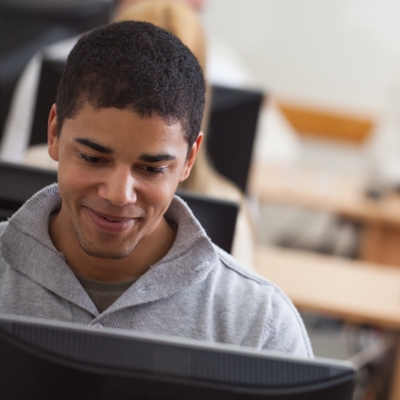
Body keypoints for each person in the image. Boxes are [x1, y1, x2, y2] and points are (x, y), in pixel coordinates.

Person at [0, 21, 312, 357]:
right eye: (93, 158)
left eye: (151, 169)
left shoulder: (259, 327)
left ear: (189, 159)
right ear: (54, 133)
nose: (119, 195)